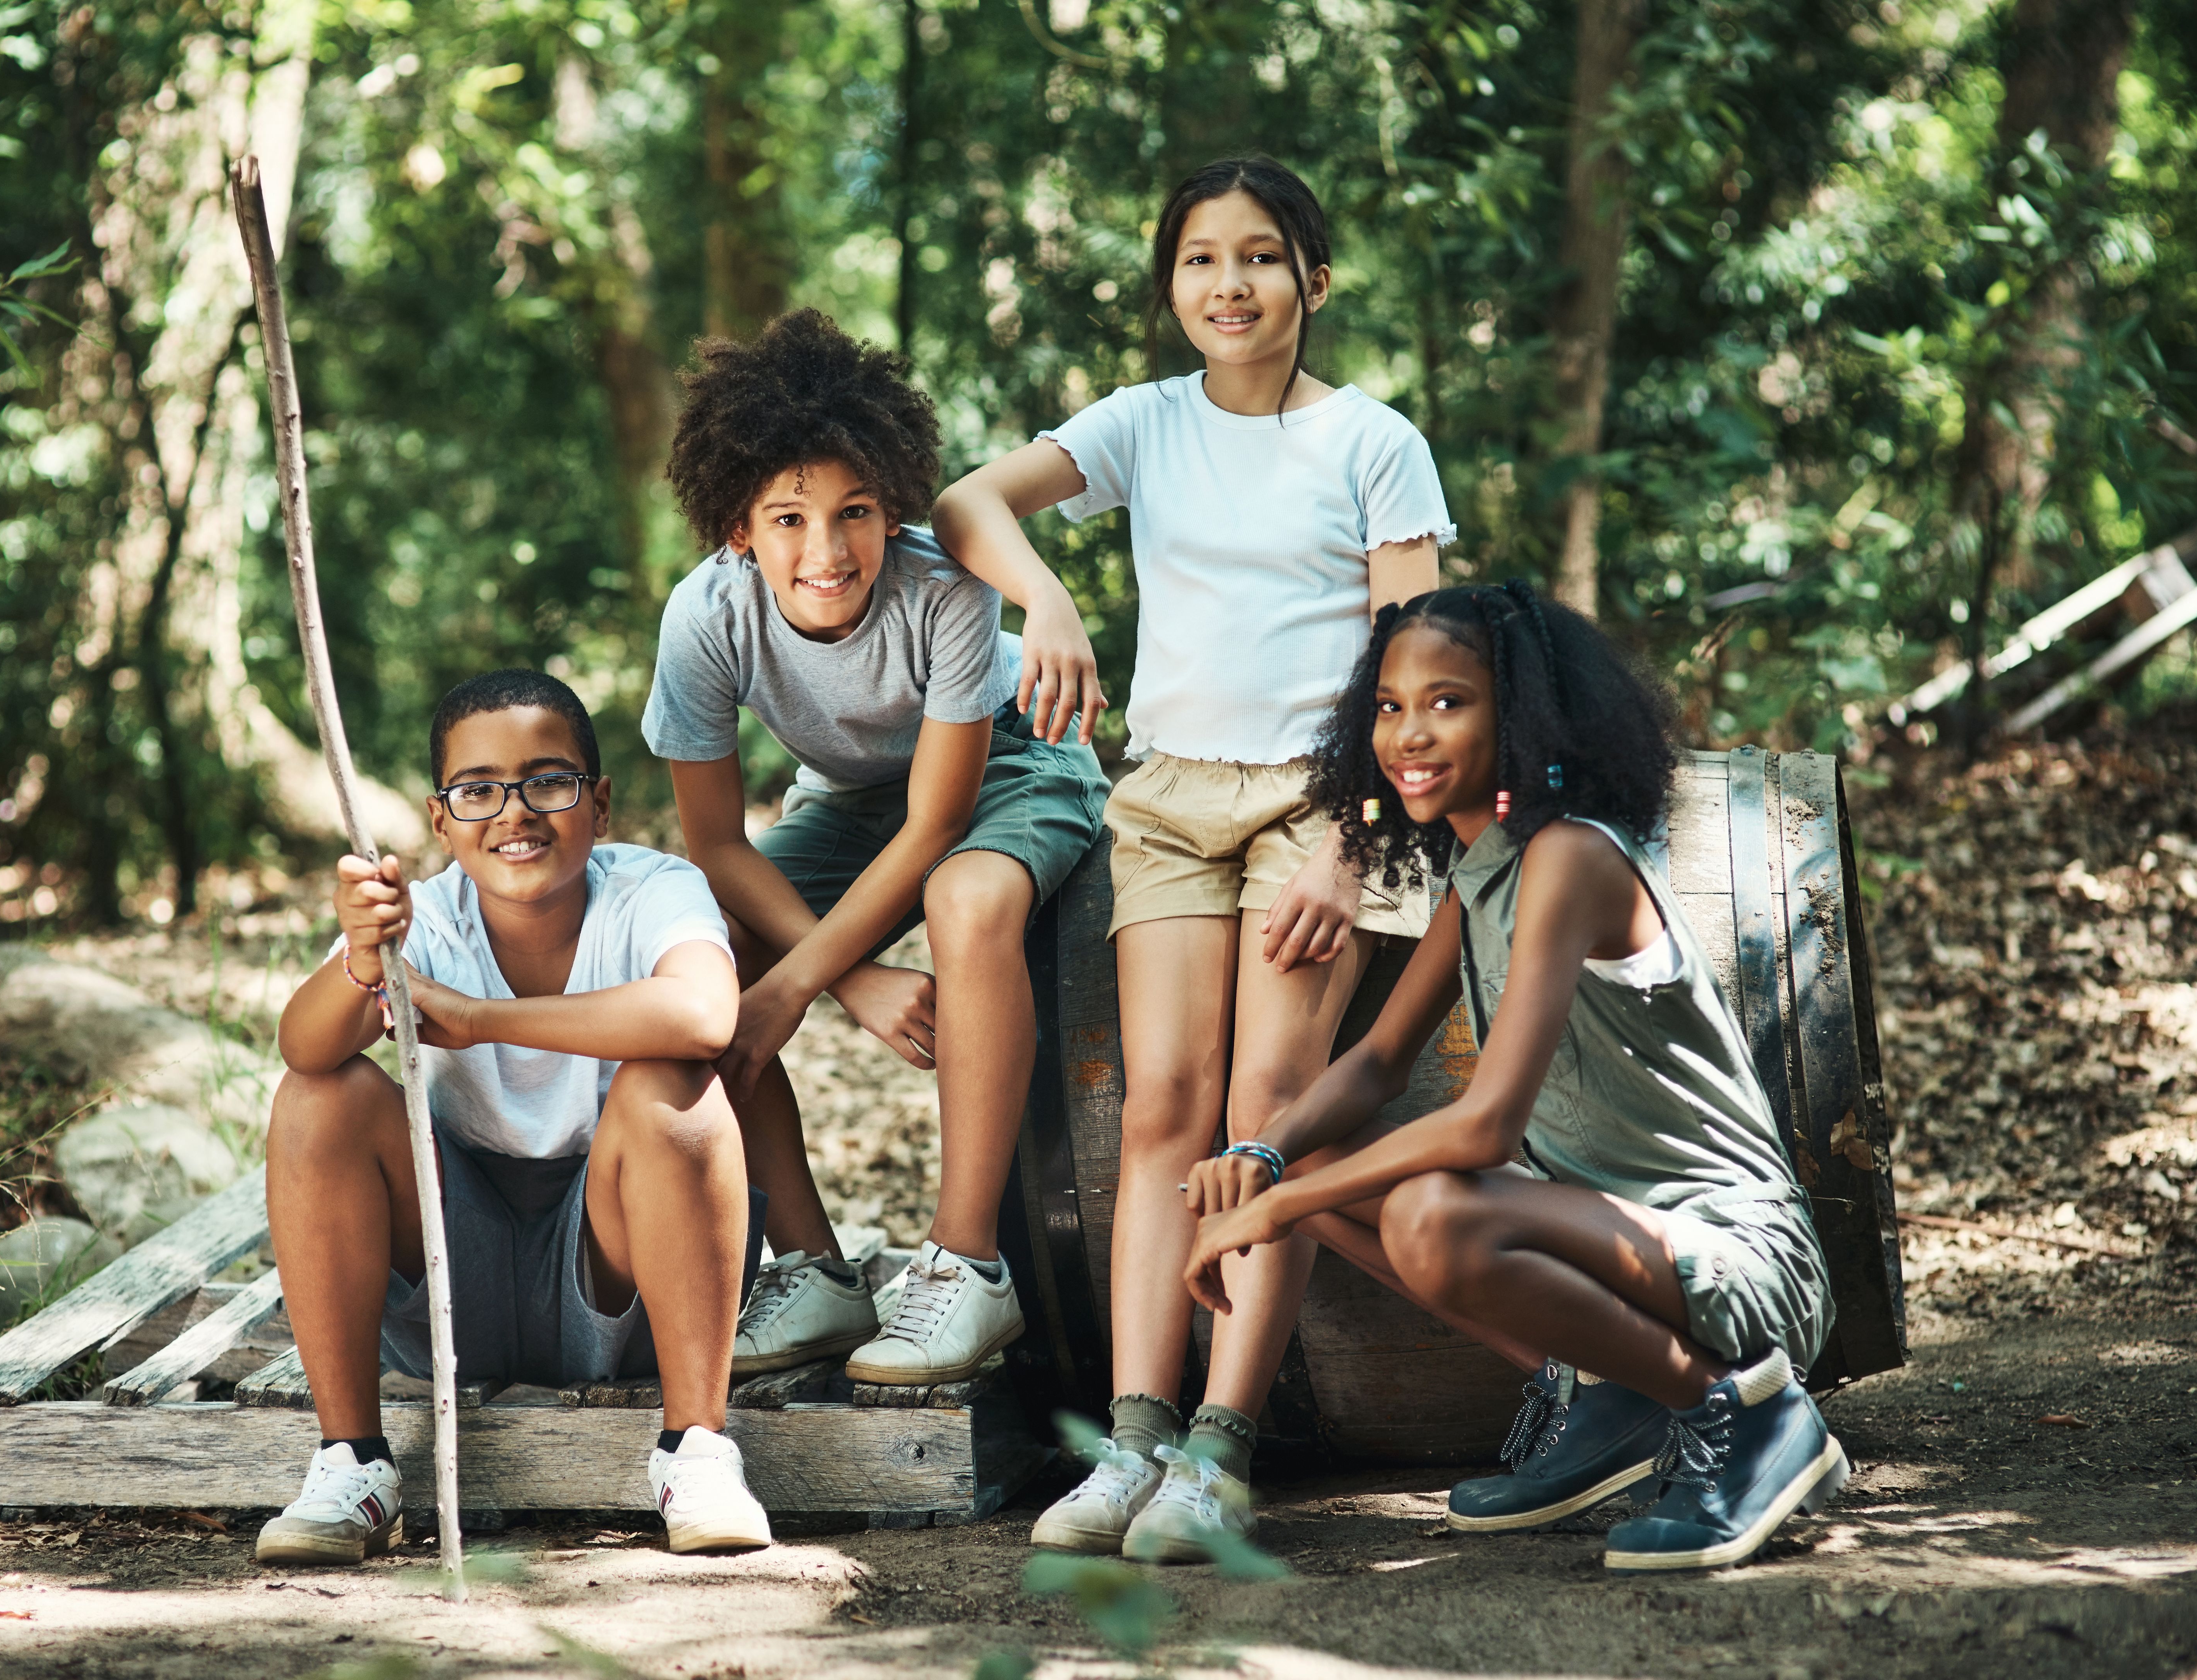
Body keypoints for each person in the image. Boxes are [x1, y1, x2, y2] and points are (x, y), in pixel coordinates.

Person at [931, 157, 1452, 1559]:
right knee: (1160, 1106)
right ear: (1170, 287)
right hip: (1165, 798)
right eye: (1201, 261)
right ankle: (1134, 1439)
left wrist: (1354, 846)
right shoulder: (1144, 424)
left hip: (1318, 805)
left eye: (1263, 258)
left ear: (1314, 281)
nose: (1231, 285)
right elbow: (967, 505)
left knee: (1260, 1115)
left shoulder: (1372, 441)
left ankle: (1220, 1455)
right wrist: (1044, 602)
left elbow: (1414, 667)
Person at [1181, 583, 1847, 1573]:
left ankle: (1745, 1415)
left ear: (1523, 715)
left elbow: (1486, 1125)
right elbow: (1375, 1063)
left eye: (1450, 702)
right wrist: (1262, 1156)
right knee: (1313, 1159)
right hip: (1612, 1240)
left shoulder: (1570, 857)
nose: (1410, 732)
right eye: (1391, 706)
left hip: (1736, 1256)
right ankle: (1609, 1400)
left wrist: (1269, 1214)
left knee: (1431, 1218)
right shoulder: (1477, 872)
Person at [643, 309, 1110, 1389]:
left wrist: (809, 981)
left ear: (892, 505)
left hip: (1016, 765)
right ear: (737, 530)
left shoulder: (942, 590)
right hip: (851, 799)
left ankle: (968, 1267)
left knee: (968, 901)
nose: (827, 550)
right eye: (790, 518)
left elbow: (940, 823)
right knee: (705, 954)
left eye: (855, 513)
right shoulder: (705, 618)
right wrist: (843, 979)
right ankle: (812, 1269)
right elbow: (714, 841)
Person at [256, 668, 772, 1564]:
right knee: (319, 1095)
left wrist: (477, 1018)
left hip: (618, 1268)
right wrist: (360, 960)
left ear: (600, 804)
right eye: (478, 790)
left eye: (549, 781)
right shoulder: (421, 918)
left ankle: (698, 1451)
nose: (516, 811)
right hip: (459, 1278)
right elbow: (302, 1046)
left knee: (671, 1087)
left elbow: (703, 1016)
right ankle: (355, 1462)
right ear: (439, 819)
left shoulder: (655, 890)